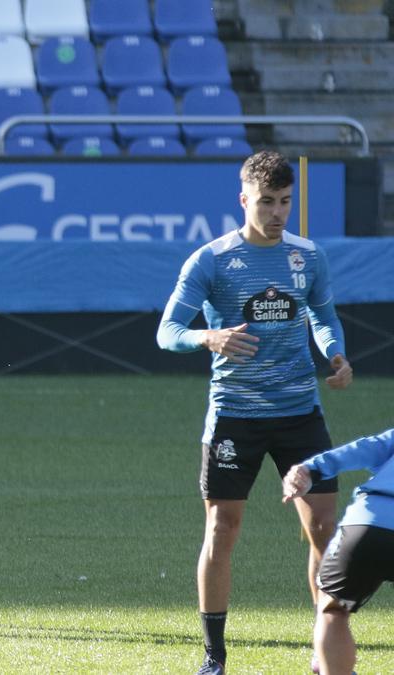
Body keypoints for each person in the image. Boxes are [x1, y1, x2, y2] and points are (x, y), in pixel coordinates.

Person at [156, 150, 352, 675]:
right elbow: (167, 331)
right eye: (266, 201)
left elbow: (324, 314)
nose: (277, 212)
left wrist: (335, 353)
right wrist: (207, 336)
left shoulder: (308, 256)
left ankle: (322, 645)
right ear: (244, 199)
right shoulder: (211, 260)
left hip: (299, 413)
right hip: (235, 416)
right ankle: (214, 655)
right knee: (222, 528)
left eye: (286, 201)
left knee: (324, 529)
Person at [282, 429, 394, 675]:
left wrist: (309, 469)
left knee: (333, 609)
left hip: (369, 524)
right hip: (370, 522)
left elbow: (366, 448)